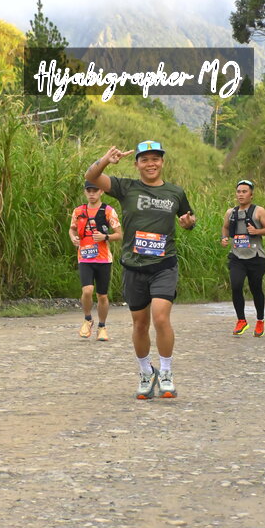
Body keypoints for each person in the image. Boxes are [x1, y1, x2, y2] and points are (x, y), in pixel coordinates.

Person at [84, 141, 196, 399]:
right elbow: (91, 177)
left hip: (164, 265)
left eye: (155, 158)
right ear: (136, 164)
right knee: (140, 324)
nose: (150, 164)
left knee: (160, 318)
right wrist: (106, 160)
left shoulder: (175, 192)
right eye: (144, 160)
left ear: (162, 162)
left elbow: (188, 219)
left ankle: (166, 372)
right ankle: (146, 372)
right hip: (134, 266)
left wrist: (188, 223)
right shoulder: (126, 188)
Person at [69, 180, 122, 340]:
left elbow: (119, 234)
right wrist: (73, 238)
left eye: (95, 190)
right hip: (85, 257)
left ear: (101, 191)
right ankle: (87, 319)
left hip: (103, 259)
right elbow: (72, 229)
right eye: (89, 191)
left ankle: (102, 326)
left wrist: (105, 237)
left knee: (102, 296)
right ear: (85, 192)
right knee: (87, 290)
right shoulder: (78, 211)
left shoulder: (108, 211)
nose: (92, 194)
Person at [221, 180, 265, 337]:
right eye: (238, 191)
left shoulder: (259, 211)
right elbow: (225, 227)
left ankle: (260, 321)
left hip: (256, 257)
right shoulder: (230, 212)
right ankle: (241, 320)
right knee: (236, 285)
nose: (241, 194)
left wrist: (257, 231)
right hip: (237, 256)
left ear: (251, 194)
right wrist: (224, 238)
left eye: (244, 191)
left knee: (255, 288)